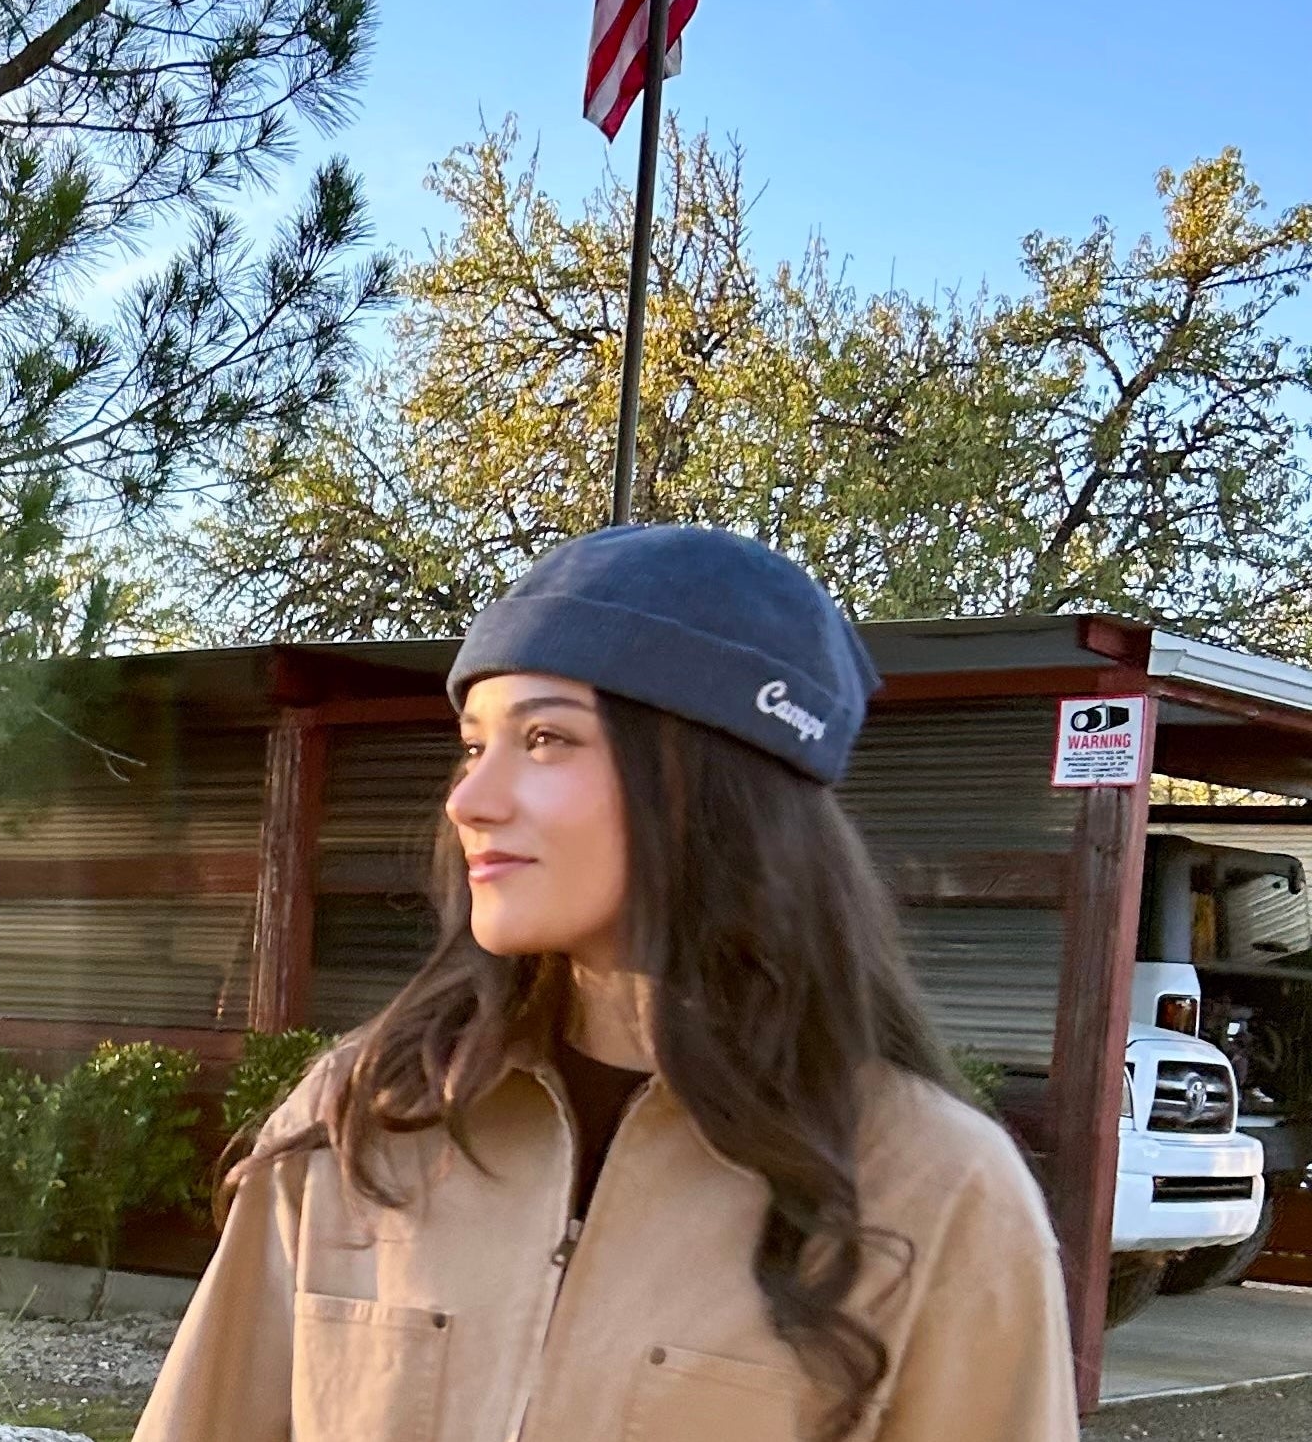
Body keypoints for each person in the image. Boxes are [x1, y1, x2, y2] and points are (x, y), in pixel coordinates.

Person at [136, 526, 1075, 1442]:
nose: (470, 798)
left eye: (545, 737)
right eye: (473, 744)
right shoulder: (367, 1114)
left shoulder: (939, 1192)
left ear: (713, 780)